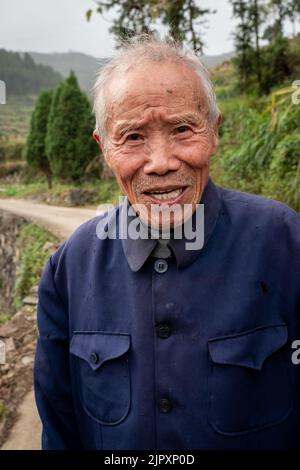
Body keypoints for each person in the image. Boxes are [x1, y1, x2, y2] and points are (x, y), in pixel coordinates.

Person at [34, 34, 300, 450]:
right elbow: (60, 429)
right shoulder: (69, 269)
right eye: (133, 137)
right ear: (105, 149)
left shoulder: (286, 243)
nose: (160, 163)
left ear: (213, 132)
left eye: (181, 129)